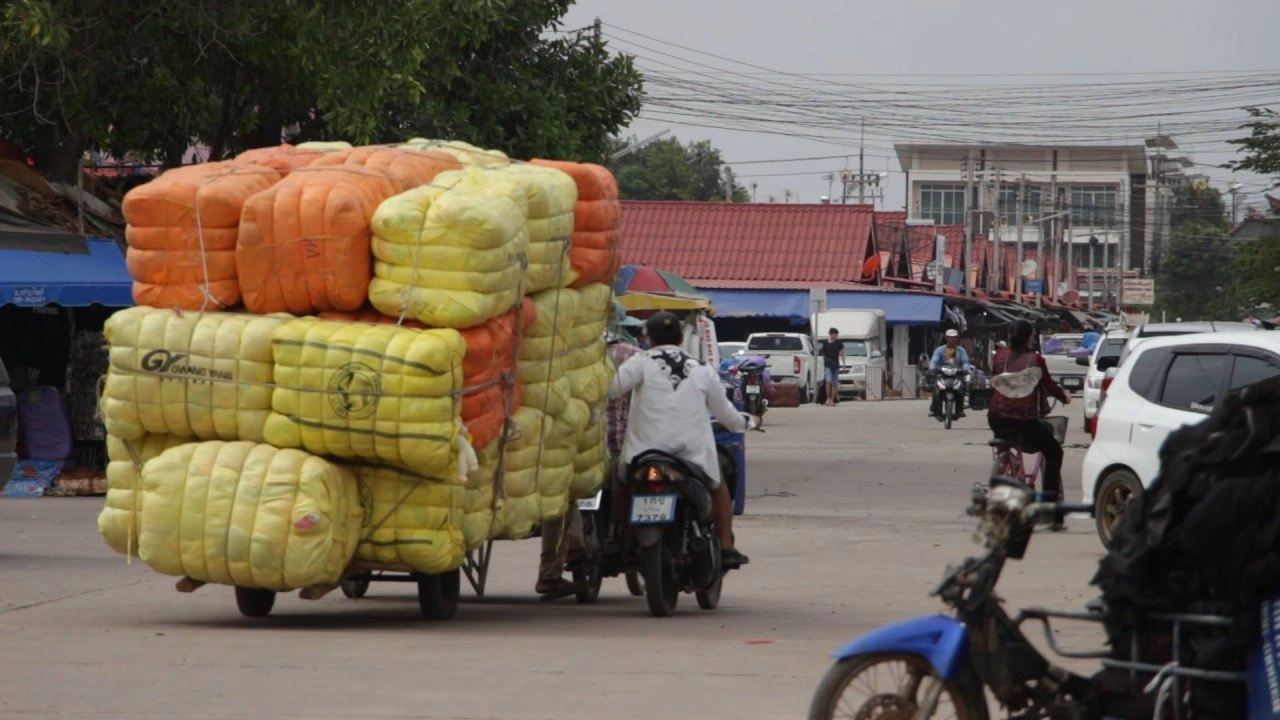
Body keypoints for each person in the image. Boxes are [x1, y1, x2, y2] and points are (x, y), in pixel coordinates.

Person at [609, 311, 756, 568]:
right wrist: (749, 421)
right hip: (692, 457)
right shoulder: (703, 369)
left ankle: (627, 537)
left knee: (620, 481)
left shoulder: (640, 362)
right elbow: (727, 416)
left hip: (643, 454)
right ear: (680, 338)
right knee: (718, 485)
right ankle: (725, 546)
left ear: (649, 339)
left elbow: (611, 389)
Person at [536, 305, 642, 599]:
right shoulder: (631, 356)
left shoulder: (566, 356)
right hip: (617, 448)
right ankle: (629, 539)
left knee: (560, 500)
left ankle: (561, 561)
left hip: (573, 449)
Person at [989, 320, 1071, 523]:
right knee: (1054, 452)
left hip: (996, 419)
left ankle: (1006, 463)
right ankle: (1051, 508)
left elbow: (997, 381)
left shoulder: (999, 356)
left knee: (1007, 442)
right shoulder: (1036, 360)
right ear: (1028, 338)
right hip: (1024, 420)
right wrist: (1064, 398)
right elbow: (1049, 385)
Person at [929, 329, 971, 419]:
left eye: (955, 338)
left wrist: (965, 369)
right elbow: (934, 360)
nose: (953, 340)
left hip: (957, 374)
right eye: (951, 338)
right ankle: (935, 410)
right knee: (936, 390)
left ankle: (960, 410)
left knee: (961, 390)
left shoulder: (961, 350)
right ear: (946, 338)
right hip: (942, 374)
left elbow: (965, 361)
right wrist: (933, 368)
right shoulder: (940, 350)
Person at [816, 328, 845, 407]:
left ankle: (832, 399)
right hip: (828, 365)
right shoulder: (825, 343)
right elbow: (822, 352)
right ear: (831, 334)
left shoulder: (839, 343)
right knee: (828, 381)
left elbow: (842, 353)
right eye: (835, 334)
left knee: (834, 383)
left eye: (837, 334)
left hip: (836, 365)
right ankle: (828, 398)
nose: (836, 336)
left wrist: (844, 363)